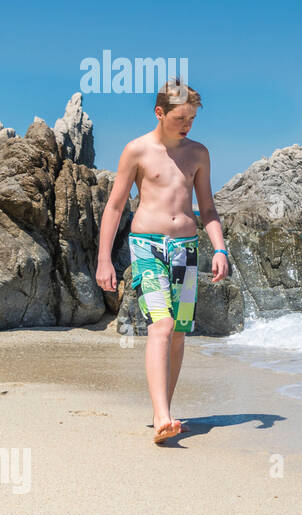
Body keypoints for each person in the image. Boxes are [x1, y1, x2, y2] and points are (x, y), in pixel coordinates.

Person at [95, 78, 230, 443]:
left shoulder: (199, 153)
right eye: (180, 118)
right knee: (162, 325)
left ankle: (166, 412)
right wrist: (104, 259)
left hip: (186, 248)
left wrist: (219, 249)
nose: (186, 125)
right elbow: (115, 205)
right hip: (147, 247)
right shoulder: (136, 151)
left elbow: (209, 208)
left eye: (191, 119)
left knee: (179, 332)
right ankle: (161, 416)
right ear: (160, 112)